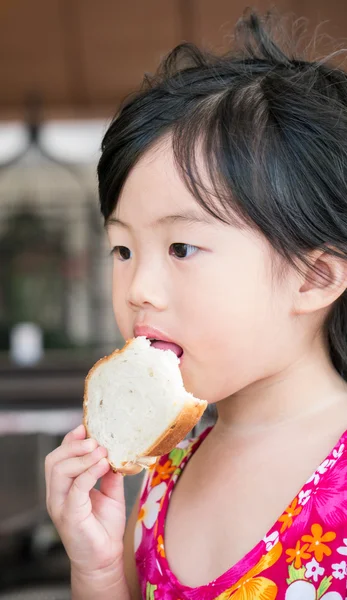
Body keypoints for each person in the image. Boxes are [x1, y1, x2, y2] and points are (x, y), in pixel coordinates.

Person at [45, 8, 347, 599]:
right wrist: (99, 568)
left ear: (313, 277)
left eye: (181, 247)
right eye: (123, 249)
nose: (137, 288)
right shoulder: (166, 464)